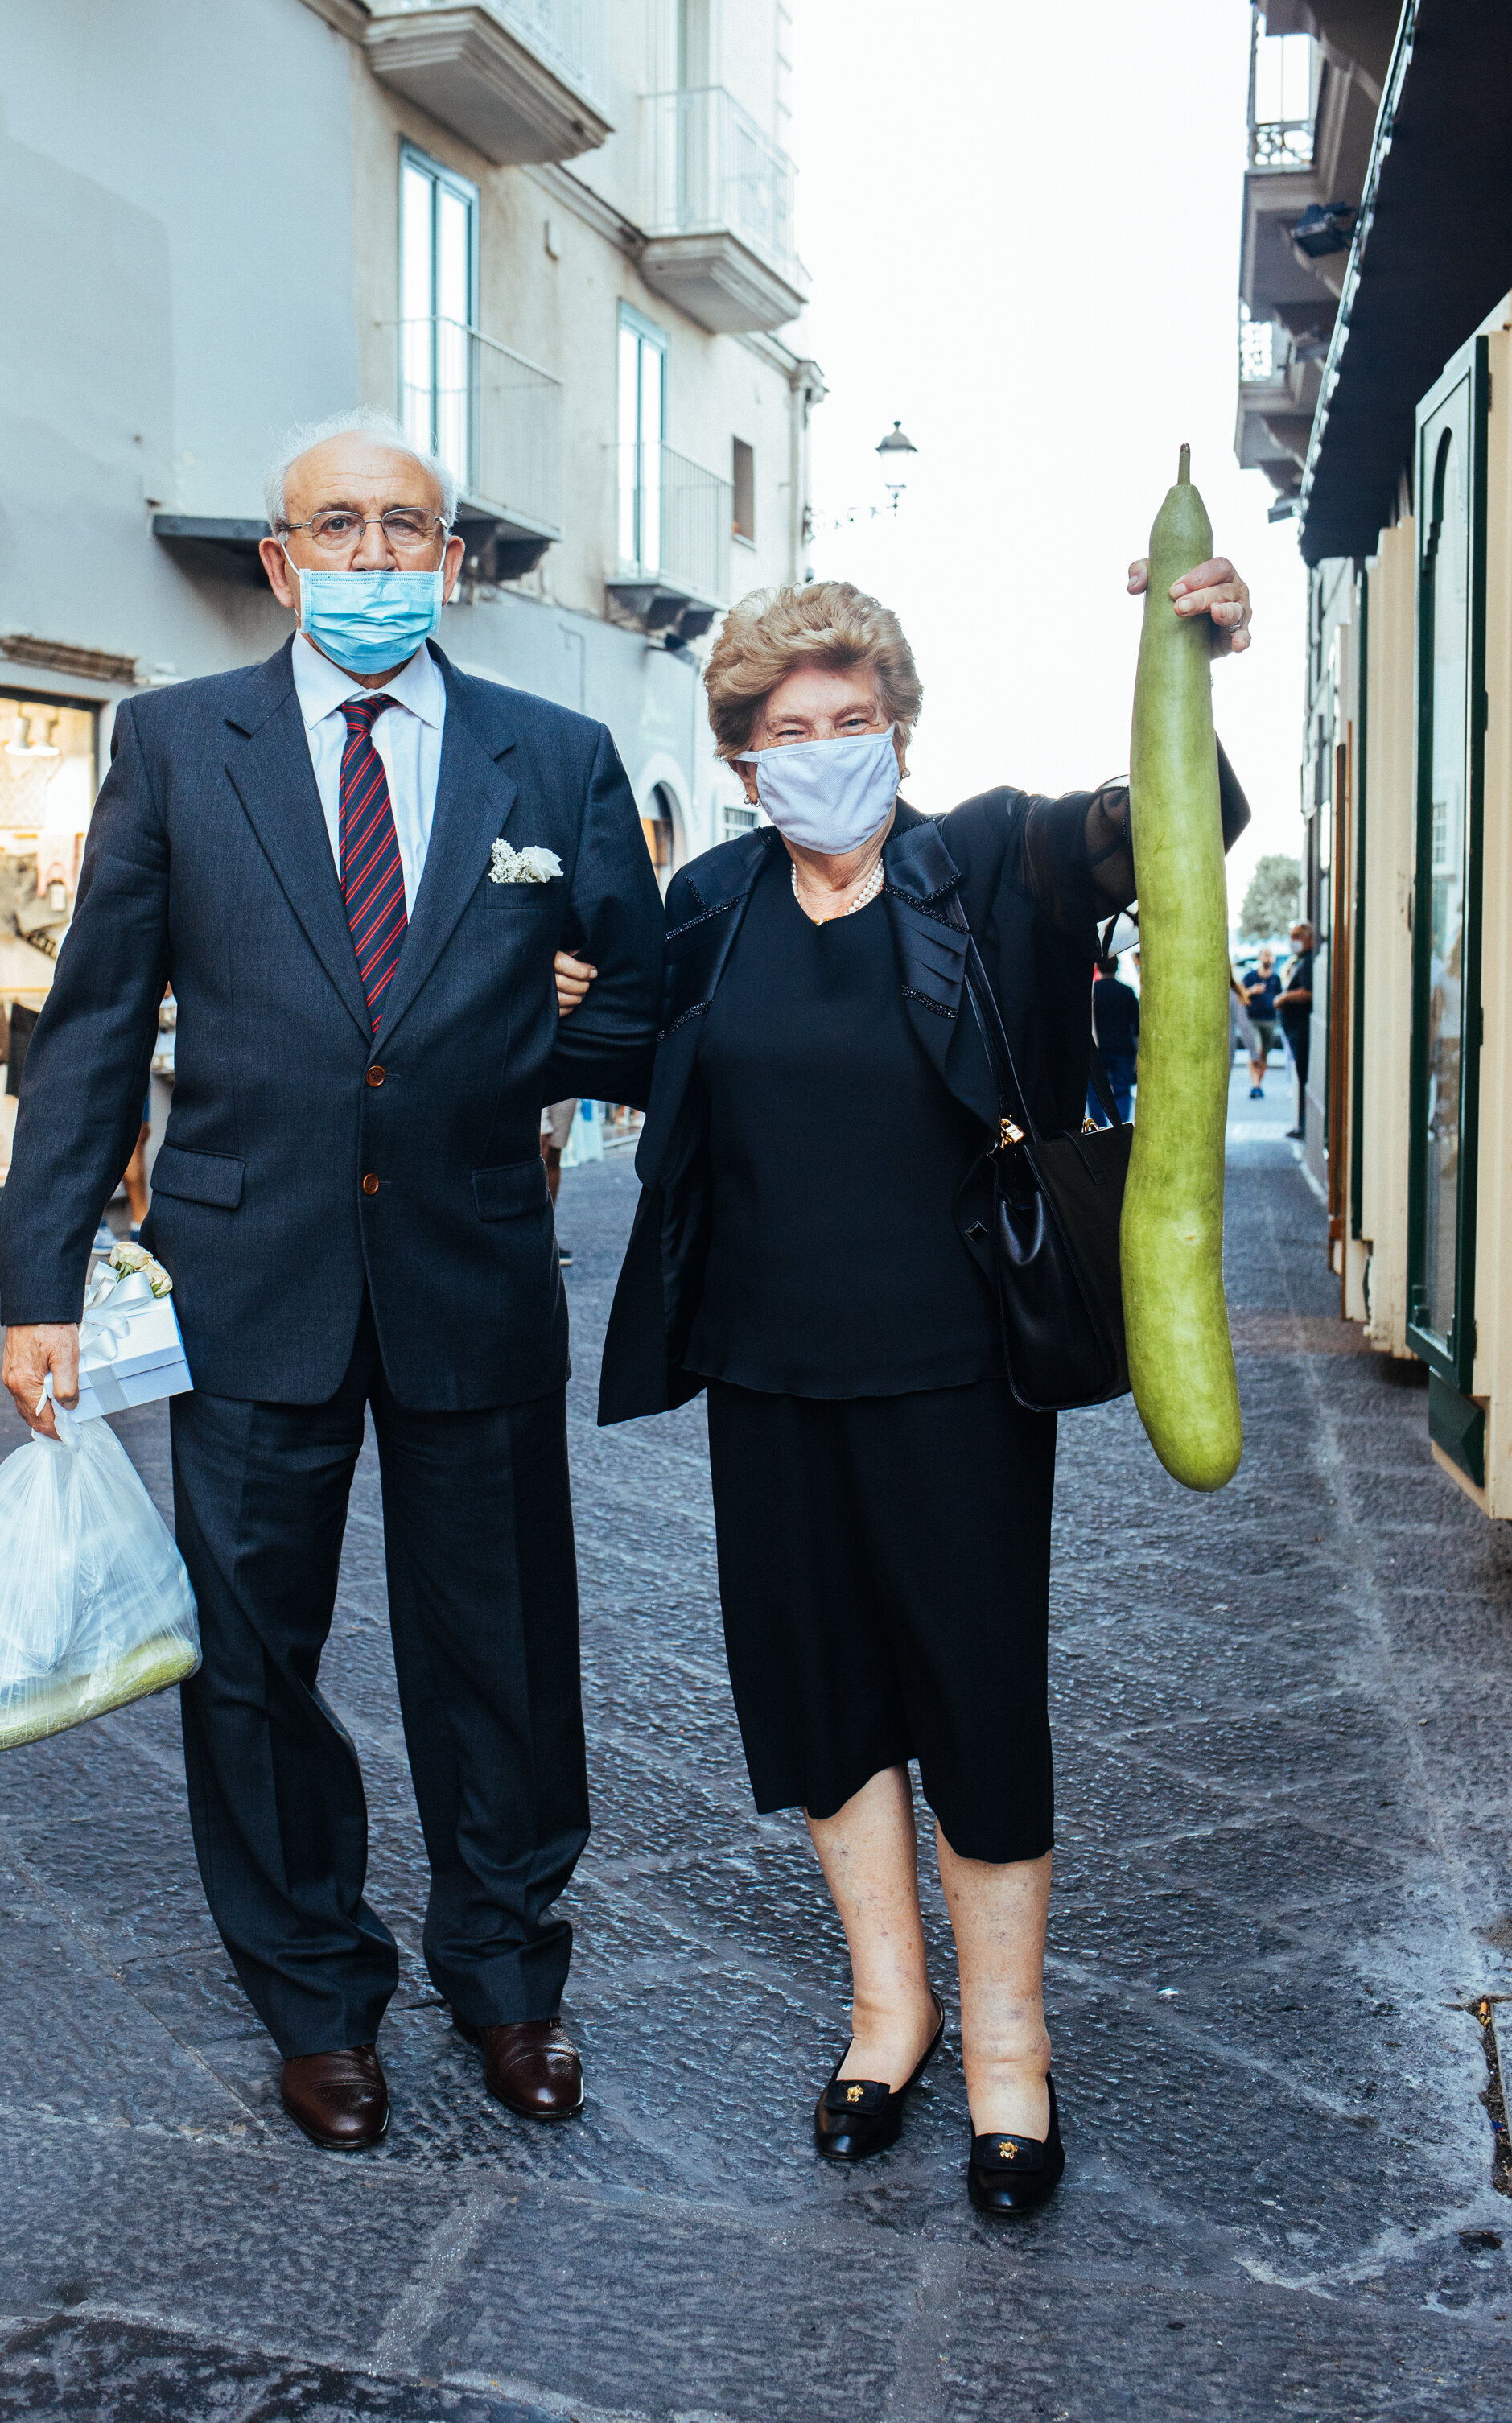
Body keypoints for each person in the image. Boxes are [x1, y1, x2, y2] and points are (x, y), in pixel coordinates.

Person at [0, 410, 664, 2154]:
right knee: (248, 1661)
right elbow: (94, 1025)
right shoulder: (173, 743)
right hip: (245, 1275)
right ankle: (313, 1994)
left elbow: (638, 1002)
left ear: (453, 559)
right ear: (281, 562)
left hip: (469, 1266)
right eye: (338, 527)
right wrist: (38, 1285)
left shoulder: (556, 756)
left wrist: (530, 1035)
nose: (374, 555)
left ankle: (508, 1977)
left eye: (406, 527)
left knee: (502, 1653)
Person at [599, 552, 1253, 2217]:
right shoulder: (710, 906)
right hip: (763, 1368)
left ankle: (1008, 2047)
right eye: (787, 728)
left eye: (853, 718)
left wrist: (1191, 653)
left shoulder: (996, 861)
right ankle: (888, 2015)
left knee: (974, 1698)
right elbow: (623, 1056)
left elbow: (1189, 824)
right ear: (741, 756)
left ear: (898, 727)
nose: (824, 747)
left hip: (959, 1370)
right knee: (819, 1699)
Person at [1276, 920, 1316, 1139]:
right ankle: (1302, 1124)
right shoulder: (1299, 961)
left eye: (1298, 937)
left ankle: (1305, 1125)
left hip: (1301, 1029)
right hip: (1294, 1029)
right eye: (1292, 937)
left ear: (1309, 939)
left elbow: (1309, 992)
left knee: (1304, 1076)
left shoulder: (1309, 962)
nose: (1293, 941)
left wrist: (1285, 998)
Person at [1089, 952, 1139, 1124]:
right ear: (1117, 967)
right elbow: (1136, 1025)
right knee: (1122, 1090)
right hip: (1123, 1049)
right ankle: (1121, 1127)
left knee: (1095, 1093)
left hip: (1098, 1050)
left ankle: (1099, 1128)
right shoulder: (1127, 991)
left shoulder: (1092, 992)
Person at [540, 1096, 578, 1265]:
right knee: (540, 1142)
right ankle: (531, 1233)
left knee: (555, 1149)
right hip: (530, 1079)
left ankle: (547, 1235)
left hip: (567, 1081)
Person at [1244, 947, 1279, 1098]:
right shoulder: (1250, 977)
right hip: (1253, 1020)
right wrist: (1252, 991)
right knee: (1256, 1051)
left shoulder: (1276, 979)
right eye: (1265, 955)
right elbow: (1241, 995)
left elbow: (1279, 997)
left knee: (1264, 1054)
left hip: (1269, 1020)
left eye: (1270, 955)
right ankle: (1254, 1085)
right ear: (1259, 958)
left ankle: (1259, 1083)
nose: (1267, 958)